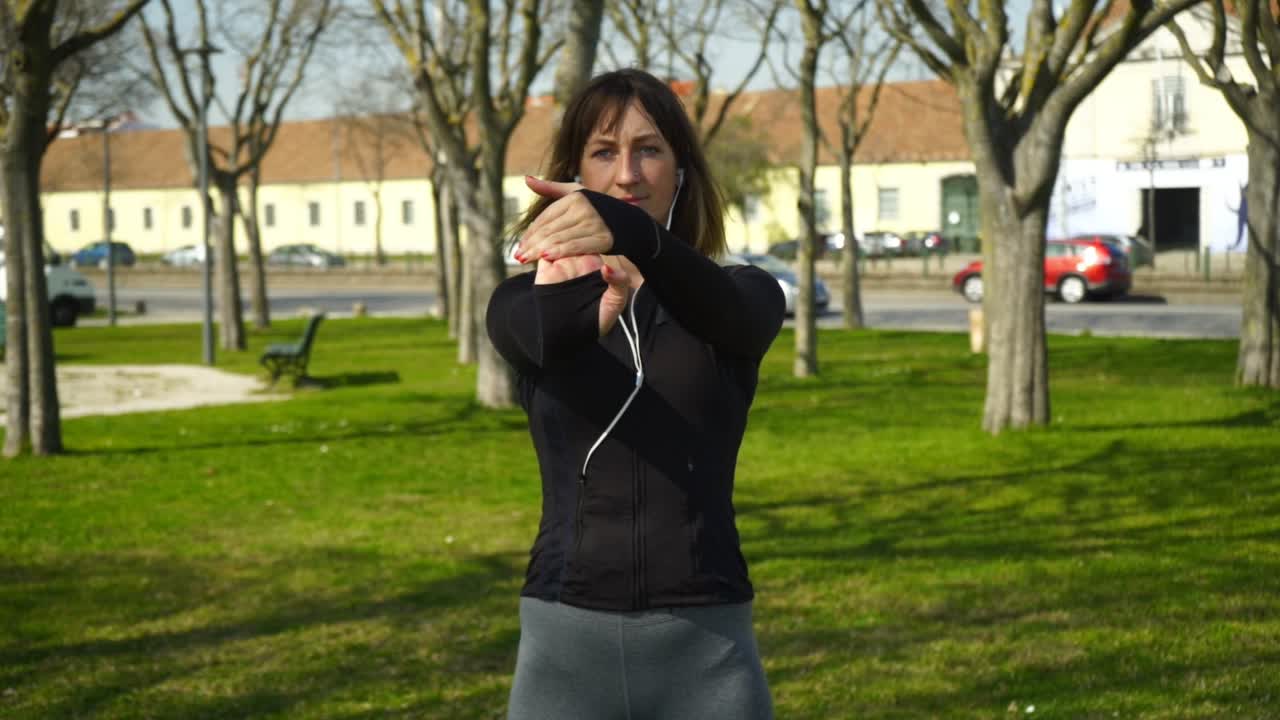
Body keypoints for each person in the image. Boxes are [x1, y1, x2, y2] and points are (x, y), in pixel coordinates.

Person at [486, 68, 785, 720]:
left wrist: (631, 235)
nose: (627, 174)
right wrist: (578, 293)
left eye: (649, 150)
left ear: (680, 173)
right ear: (574, 176)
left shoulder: (744, 295)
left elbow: (735, 316)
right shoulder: (523, 302)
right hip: (563, 651)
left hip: (708, 651)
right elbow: (537, 336)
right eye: (604, 152)